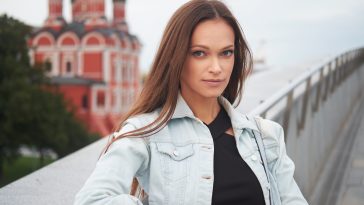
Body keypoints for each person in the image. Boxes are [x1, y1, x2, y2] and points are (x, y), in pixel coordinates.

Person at [74, 0, 308, 204]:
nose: (216, 68)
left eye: (226, 53)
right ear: (176, 57)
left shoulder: (266, 136)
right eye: (199, 53)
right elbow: (92, 199)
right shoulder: (144, 133)